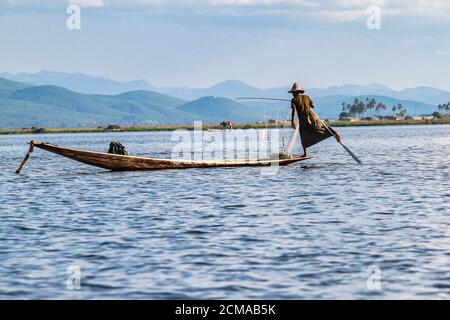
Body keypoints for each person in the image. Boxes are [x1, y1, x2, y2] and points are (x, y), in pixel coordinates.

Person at [289, 83, 341, 157]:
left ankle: (305, 153)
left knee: (302, 134)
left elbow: (293, 111)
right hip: (313, 116)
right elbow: (312, 106)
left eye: (293, 93)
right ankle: (335, 133)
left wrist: (292, 121)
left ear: (296, 92)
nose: (292, 94)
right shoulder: (306, 97)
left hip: (304, 119)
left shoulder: (293, 100)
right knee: (321, 127)